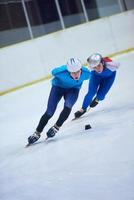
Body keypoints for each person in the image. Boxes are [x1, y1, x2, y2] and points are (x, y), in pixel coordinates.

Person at [28, 58, 90, 144]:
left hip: (73, 90)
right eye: (73, 72)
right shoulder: (60, 72)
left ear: (81, 69)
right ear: (68, 71)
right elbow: (53, 71)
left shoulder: (86, 73)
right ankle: (37, 133)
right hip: (58, 88)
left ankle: (56, 127)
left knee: (68, 106)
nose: (76, 75)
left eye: (78, 71)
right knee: (49, 112)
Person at [74, 53, 120, 119]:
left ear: (103, 63)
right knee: (91, 92)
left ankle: (97, 99)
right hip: (96, 76)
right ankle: (83, 109)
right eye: (94, 67)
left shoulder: (112, 65)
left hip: (109, 78)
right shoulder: (91, 67)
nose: (97, 69)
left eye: (98, 65)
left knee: (101, 96)